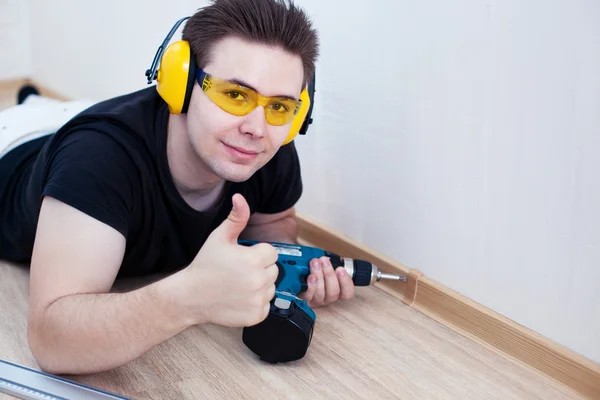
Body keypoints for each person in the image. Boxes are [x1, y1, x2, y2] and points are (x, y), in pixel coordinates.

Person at [0, 0, 356, 375]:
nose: (257, 127)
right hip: (16, 140)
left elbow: (274, 223)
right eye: (235, 95)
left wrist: (285, 267)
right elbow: (52, 342)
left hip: (94, 120)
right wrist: (189, 297)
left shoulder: (266, 145)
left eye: (281, 107)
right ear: (179, 83)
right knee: (39, 116)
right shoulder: (96, 159)